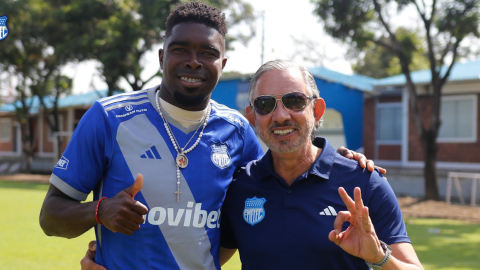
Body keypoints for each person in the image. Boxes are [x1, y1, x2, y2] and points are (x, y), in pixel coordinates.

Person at [40, 3, 377, 270]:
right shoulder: (108, 117)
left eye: (207, 53)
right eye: (180, 49)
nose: (193, 62)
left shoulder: (238, 131)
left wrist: (337, 161)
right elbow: (51, 216)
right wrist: (98, 211)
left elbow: (271, 191)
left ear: (222, 62)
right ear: (162, 57)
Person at [218, 60, 424, 269]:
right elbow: (198, 259)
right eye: (265, 104)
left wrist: (380, 257)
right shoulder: (239, 187)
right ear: (252, 117)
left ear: (317, 110)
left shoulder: (365, 182)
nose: (280, 116)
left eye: (294, 101)